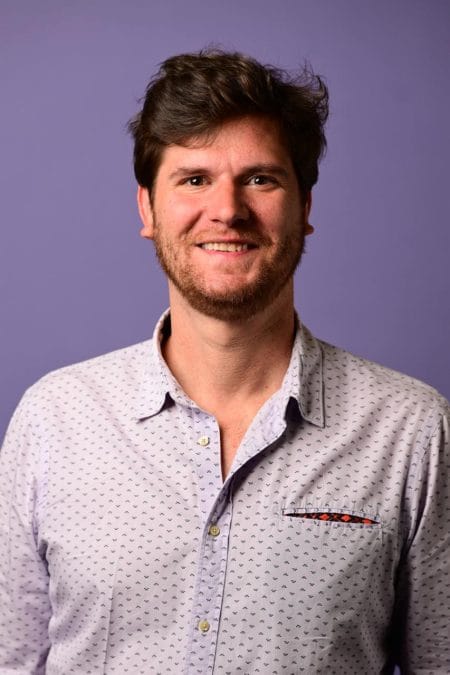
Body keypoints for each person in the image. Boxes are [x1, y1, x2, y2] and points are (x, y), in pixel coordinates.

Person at [0, 50, 448, 675]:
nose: (228, 210)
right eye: (194, 179)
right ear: (147, 210)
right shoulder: (54, 420)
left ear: (305, 207)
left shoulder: (411, 432)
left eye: (260, 179)